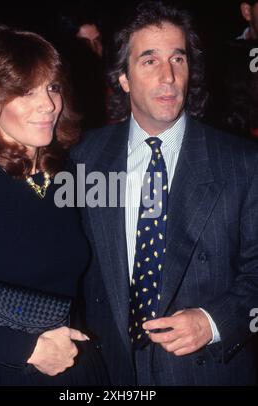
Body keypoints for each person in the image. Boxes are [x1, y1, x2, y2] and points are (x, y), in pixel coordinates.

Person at [71, 1, 258, 385]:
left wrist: (214, 322)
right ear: (123, 78)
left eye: (178, 59)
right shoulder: (84, 157)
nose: (169, 76)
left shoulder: (241, 162)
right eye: (149, 60)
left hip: (208, 372)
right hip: (112, 374)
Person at [0, 26, 108, 386]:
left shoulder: (65, 173)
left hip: (79, 371)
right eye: (26, 91)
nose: (48, 105)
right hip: (8, 373)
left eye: (52, 87)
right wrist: (25, 347)